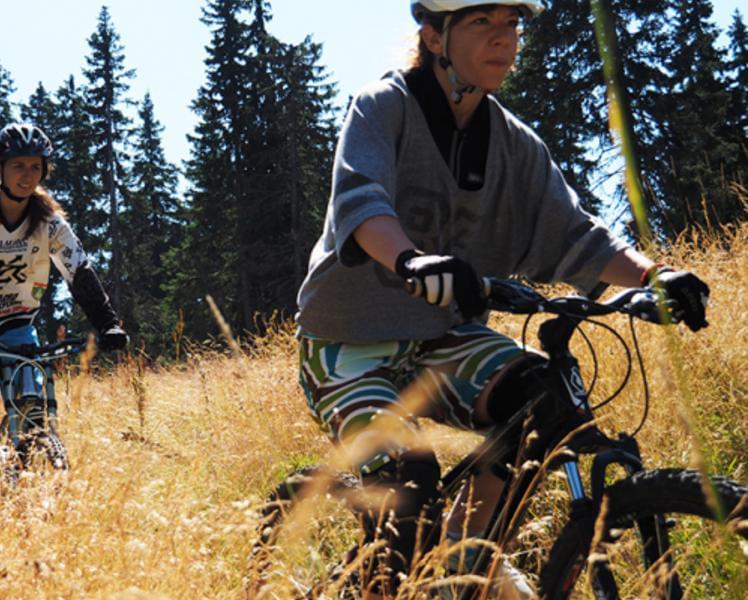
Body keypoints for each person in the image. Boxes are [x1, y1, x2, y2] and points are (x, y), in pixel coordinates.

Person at [294, 1, 711, 596]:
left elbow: (578, 235)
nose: (504, 39)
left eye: (511, 24)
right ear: (434, 34)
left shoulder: (515, 143)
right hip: (346, 344)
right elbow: (362, 204)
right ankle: (398, 577)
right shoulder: (384, 107)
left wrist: (656, 278)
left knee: (543, 398)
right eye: (483, 23)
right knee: (406, 482)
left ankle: (465, 560)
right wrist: (411, 260)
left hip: (444, 338)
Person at [0, 122, 127, 482]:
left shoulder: (48, 221)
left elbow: (79, 271)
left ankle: (31, 476)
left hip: (13, 323)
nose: (27, 175)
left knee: (33, 408)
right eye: (18, 166)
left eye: (35, 166)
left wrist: (107, 322)